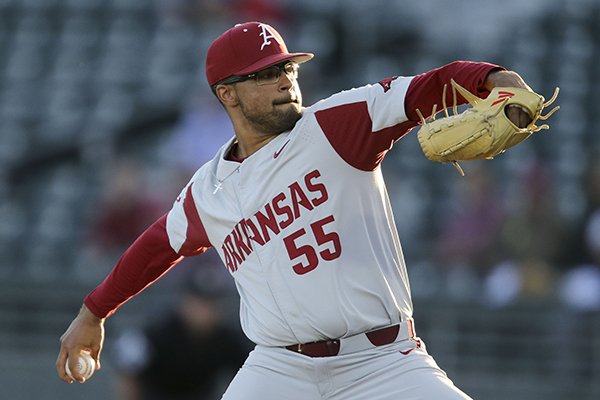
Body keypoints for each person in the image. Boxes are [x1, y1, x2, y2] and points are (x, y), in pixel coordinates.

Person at [57, 21, 536, 399]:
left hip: (384, 361)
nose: (285, 81)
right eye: (265, 75)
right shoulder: (209, 190)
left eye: (288, 69)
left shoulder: (337, 125)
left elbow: (427, 87)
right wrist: (94, 312)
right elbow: (158, 245)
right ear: (227, 94)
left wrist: (495, 79)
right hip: (280, 368)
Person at [111, 264, 252, 400]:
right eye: (200, 302)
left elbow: (250, 376)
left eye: (212, 303)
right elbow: (129, 372)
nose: (205, 310)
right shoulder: (160, 332)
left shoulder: (227, 340)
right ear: (185, 301)